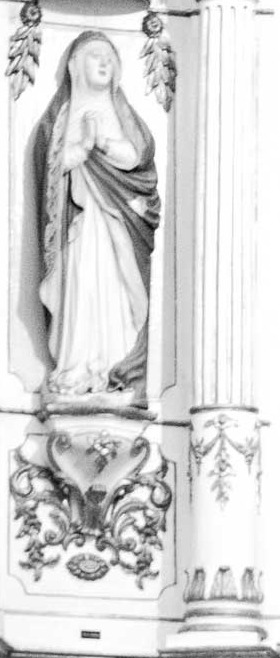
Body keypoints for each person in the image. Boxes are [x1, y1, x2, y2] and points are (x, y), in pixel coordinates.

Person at [34, 29, 161, 400]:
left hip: (116, 228)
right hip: (79, 228)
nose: (104, 62)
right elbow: (51, 168)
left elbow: (137, 158)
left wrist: (102, 142)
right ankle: (76, 368)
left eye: (110, 57)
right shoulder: (59, 120)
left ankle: (112, 368)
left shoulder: (123, 116)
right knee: (82, 288)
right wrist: (82, 145)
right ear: (74, 65)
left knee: (115, 292)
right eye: (95, 55)